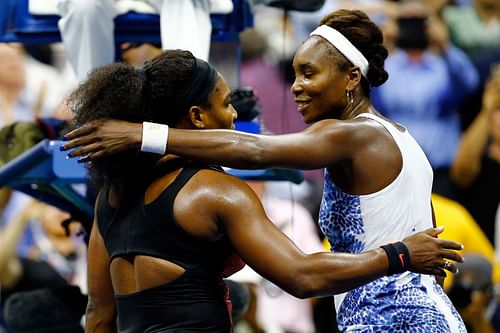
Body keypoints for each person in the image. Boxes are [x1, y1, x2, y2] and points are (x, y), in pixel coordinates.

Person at [63, 48, 464, 332]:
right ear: (198, 117)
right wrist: (401, 253)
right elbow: (302, 276)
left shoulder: (109, 199)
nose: (235, 113)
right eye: (225, 103)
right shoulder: (215, 193)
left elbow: (99, 315)